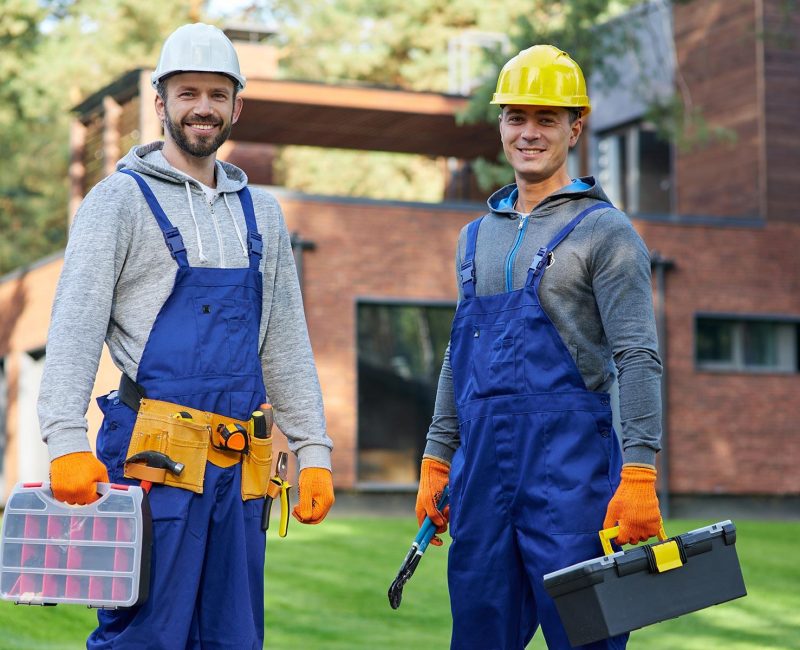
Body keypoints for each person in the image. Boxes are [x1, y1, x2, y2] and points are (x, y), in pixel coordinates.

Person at [37, 23, 334, 650]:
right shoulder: (117, 201)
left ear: (236, 106)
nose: (203, 107)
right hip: (153, 459)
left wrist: (314, 450)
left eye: (217, 94)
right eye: (188, 92)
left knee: (233, 636)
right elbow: (72, 328)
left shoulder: (264, 213)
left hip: (241, 465)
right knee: (144, 635)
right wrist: (64, 440)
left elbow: (284, 339)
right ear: (161, 102)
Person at [414, 45, 663, 650]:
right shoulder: (475, 237)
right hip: (480, 480)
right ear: (500, 124)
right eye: (516, 117)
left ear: (575, 126)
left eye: (546, 119)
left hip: (571, 479)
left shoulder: (607, 232)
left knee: (588, 641)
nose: (529, 133)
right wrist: (437, 456)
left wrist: (639, 471)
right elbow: (457, 354)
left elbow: (638, 356)